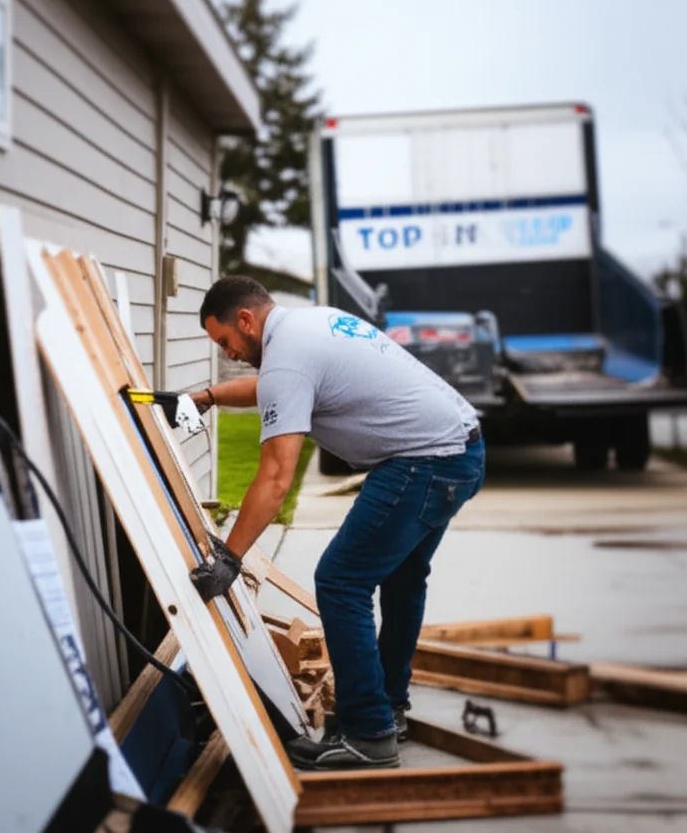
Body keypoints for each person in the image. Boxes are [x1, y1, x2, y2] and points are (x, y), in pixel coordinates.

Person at [189, 276, 485, 770]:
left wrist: (229, 556)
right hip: (461, 450)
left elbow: (277, 476)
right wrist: (209, 397)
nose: (230, 353)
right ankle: (387, 710)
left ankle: (368, 733)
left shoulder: (287, 355)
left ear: (246, 320)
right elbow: (273, 387)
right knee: (402, 579)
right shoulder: (308, 327)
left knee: (340, 579)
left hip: (424, 462)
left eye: (226, 342)